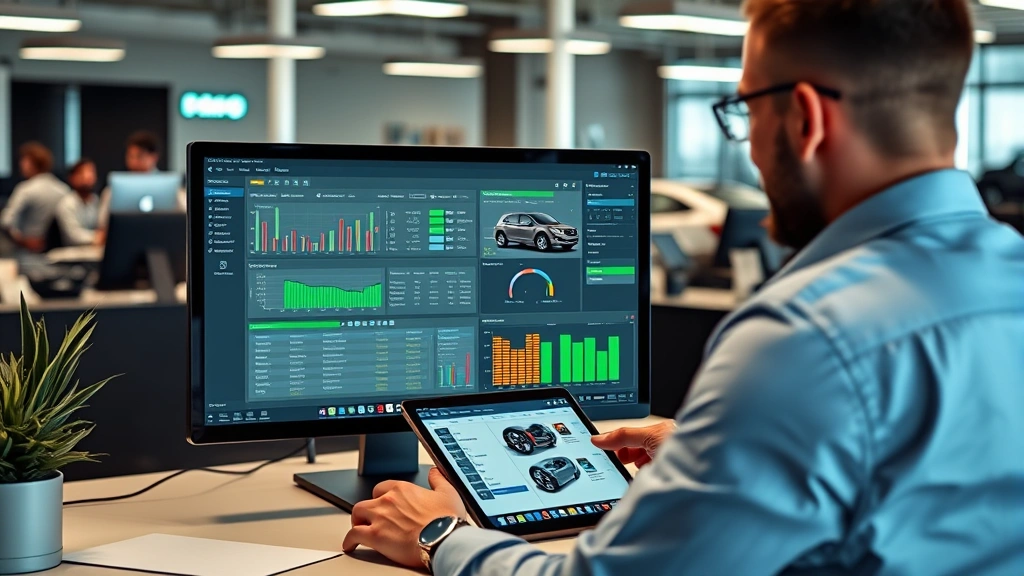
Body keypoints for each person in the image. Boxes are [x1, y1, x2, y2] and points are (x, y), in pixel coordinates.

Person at [342, 1, 1024, 575]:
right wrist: (725, 452)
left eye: (744, 109)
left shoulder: (806, 339)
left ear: (806, 119)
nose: (750, 144)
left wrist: (441, 538)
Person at [95, 130, 171, 244]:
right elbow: (102, 228)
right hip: (123, 246)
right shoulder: (113, 190)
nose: (133, 162)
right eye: (130, 156)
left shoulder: (170, 188)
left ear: (153, 157)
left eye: (139, 156)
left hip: (162, 247)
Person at [0, 141, 70, 252]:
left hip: (27, 252)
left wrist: (22, 241)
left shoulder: (25, 189)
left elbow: (6, 221)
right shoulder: (64, 189)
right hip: (57, 251)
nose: (21, 165)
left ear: (30, 163)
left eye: (23, 161)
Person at [55, 158, 101, 246]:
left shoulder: (96, 200)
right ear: (72, 178)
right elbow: (73, 236)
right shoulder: (66, 203)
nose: (88, 176)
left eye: (91, 172)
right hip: (73, 253)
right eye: (82, 173)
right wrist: (97, 237)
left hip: (94, 251)